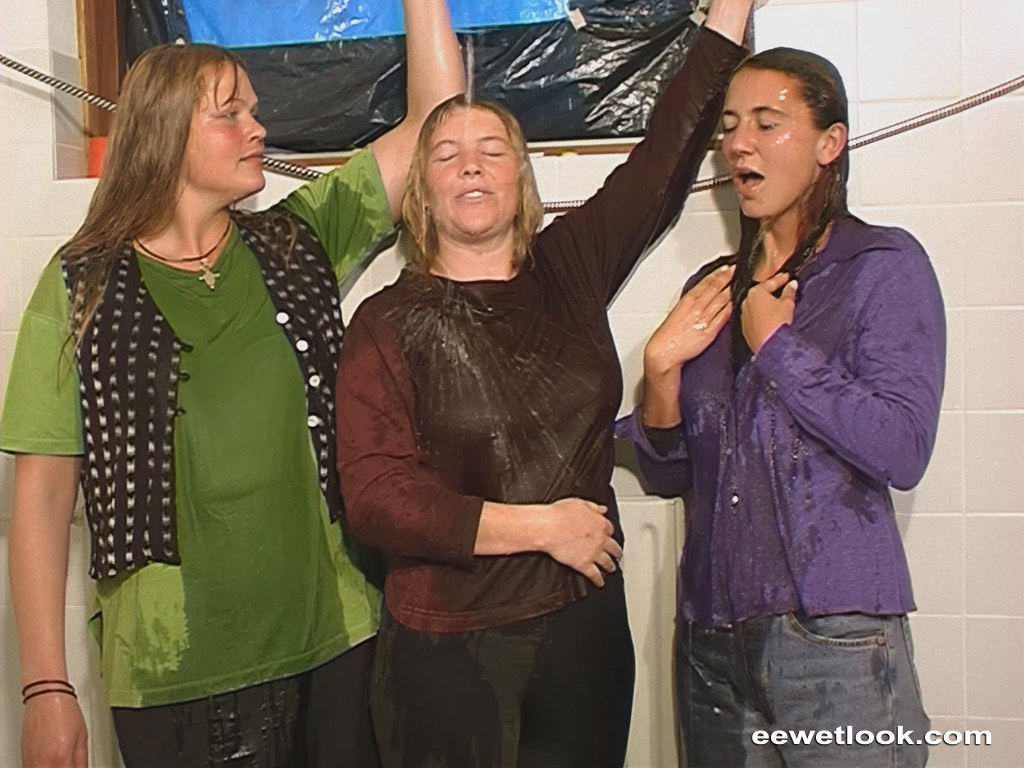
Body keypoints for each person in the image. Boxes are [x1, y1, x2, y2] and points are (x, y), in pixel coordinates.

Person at [2, 3, 463, 766]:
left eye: (254, 110)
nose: (258, 128)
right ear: (165, 133)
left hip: (337, 644)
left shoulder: (298, 238)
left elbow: (435, 125)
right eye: (231, 114)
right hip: (173, 675)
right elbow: (43, 500)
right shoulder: (80, 287)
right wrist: (46, 688)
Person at [333, 1, 754, 765]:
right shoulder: (385, 323)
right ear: (420, 191)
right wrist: (541, 528)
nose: (472, 164)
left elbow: (665, 154)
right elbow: (376, 499)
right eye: (447, 153)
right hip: (448, 659)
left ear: (522, 179)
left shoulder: (570, 267)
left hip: (582, 638)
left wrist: (731, 10)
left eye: (493, 149)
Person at [617, 47, 942, 767]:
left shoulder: (881, 267)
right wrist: (660, 374)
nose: (739, 143)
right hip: (711, 644)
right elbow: (671, 476)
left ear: (831, 143)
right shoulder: (713, 289)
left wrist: (778, 346)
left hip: (835, 636)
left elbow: (901, 447)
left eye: (767, 123)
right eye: (731, 125)